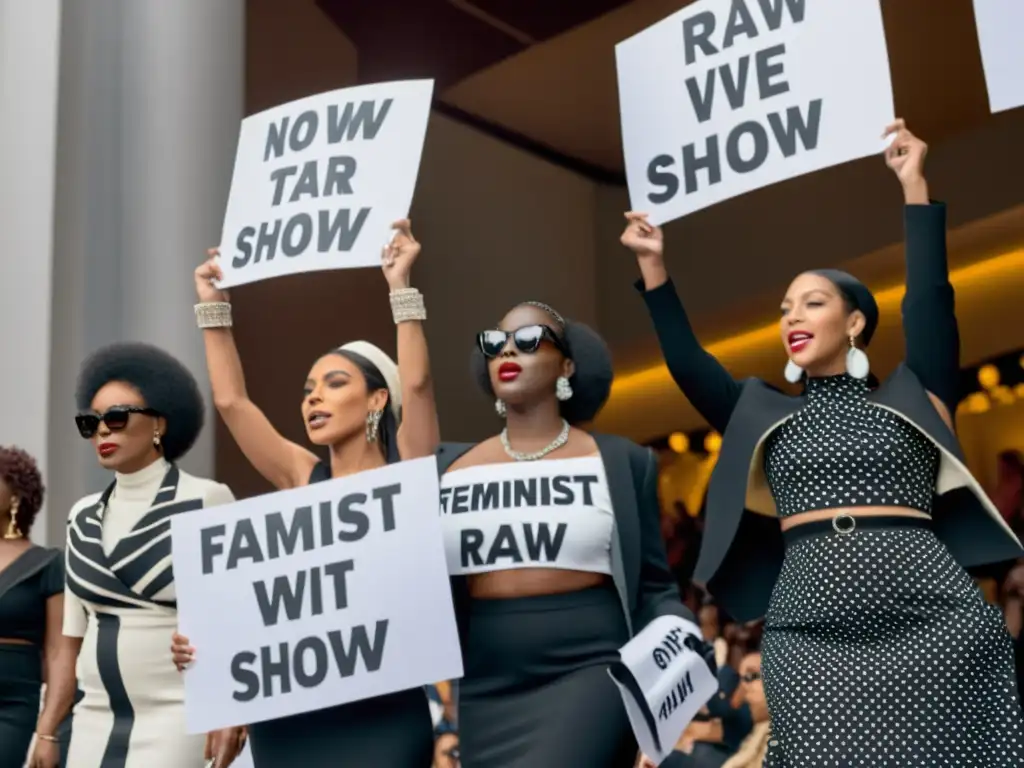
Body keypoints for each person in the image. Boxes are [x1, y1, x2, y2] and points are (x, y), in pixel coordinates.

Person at [623, 119, 1024, 764]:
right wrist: (654, 269)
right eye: (785, 308)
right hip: (810, 626)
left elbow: (929, 303)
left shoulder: (913, 394)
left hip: (931, 616)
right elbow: (692, 367)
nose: (792, 317)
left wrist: (913, 187)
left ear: (855, 321)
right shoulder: (761, 412)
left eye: (811, 303)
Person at [171, 219, 438, 767]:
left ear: (376, 400)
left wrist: (400, 287)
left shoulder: (407, 474)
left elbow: (417, 385)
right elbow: (232, 404)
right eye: (308, 390)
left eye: (335, 383)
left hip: (382, 716)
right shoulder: (302, 475)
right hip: (290, 721)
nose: (313, 398)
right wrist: (211, 305)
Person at [435, 301, 713, 767]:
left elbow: (653, 585)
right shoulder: (449, 468)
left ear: (566, 365)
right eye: (496, 342)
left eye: (528, 340)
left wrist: (680, 639)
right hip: (487, 688)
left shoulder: (623, 462)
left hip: (591, 672)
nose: (508, 350)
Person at [63, 342, 245, 767]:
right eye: (91, 423)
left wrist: (231, 707)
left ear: (160, 423)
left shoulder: (207, 499)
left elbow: (238, 614)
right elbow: (72, 633)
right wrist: (48, 726)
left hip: (176, 710)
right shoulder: (82, 515)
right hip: (92, 713)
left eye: (117, 417)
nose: (104, 431)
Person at [0, 447, 78, 768]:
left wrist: (48, 732)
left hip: (12, 707)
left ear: (16, 494)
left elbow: (60, 652)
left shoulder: (48, 564)